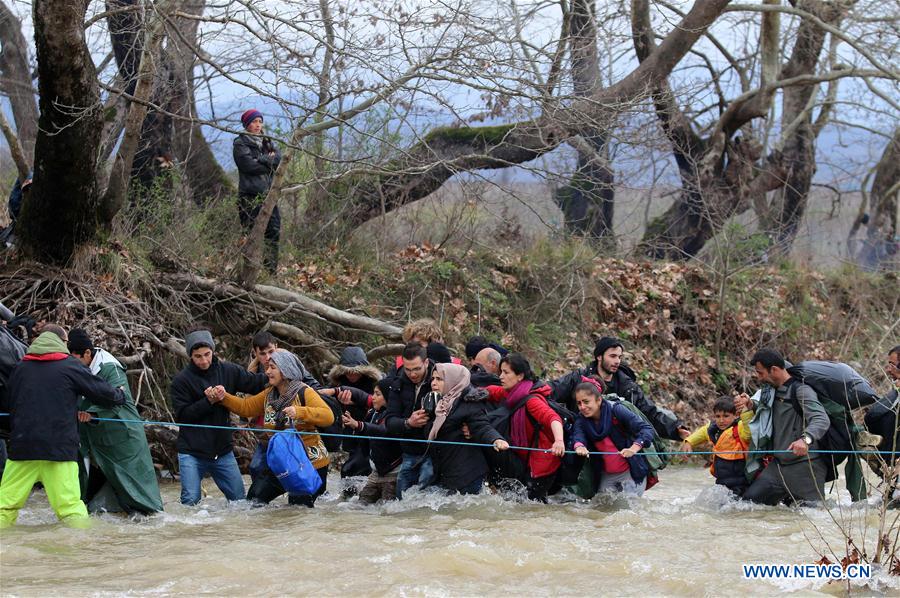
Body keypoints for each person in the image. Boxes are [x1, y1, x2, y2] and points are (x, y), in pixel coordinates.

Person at [0, 328, 126, 527]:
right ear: (62, 342)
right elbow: (101, 392)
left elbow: (8, 404)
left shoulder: (20, 368)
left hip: (22, 449)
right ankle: (79, 552)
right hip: (59, 451)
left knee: (5, 507)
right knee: (70, 509)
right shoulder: (70, 366)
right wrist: (119, 394)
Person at [216, 350, 334, 507]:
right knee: (255, 500)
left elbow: (328, 416)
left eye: (272, 367)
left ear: (285, 372)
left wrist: (300, 411)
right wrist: (223, 396)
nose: (267, 372)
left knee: (299, 511)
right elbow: (246, 407)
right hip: (280, 462)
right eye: (268, 367)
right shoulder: (269, 394)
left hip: (309, 464)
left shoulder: (304, 391)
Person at [67, 329, 163, 514]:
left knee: (137, 496)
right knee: (86, 493)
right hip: (93, 441)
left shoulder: (110, 367)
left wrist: (93, 414)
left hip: (122, 438)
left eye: (75, 358)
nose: (72, 363)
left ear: (87, 353)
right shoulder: (79, 368)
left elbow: (119, 399)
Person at [170, 327, 267, 505]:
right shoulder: (180, 381)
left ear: (213, 351)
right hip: (191, 453)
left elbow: (256, 384)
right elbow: (183, 416)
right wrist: (208, 401)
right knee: (190, 503)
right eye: (198, 356)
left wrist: (279, 374)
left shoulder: (229, 370)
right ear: (190, 356)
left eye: (207, 354)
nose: (204, 360)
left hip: (222, 452)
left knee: (239, 502)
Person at [738, 349, 831, 506]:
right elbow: (768, 410)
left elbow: (821, 419)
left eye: (761, 373)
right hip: (778, 468)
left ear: (774, 369)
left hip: (806, 469)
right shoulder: (771, 391)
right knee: (747, 506)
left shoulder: (802, 390)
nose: (759, 378)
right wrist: (751, 404)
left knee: (815, 516)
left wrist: (805, 439)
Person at [551, 337, 689, 441]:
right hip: (582, 440)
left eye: (619, 357)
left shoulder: (627, 386)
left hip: (617, 445)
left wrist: (676, 430)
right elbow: (551, 391)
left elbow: (649, 412)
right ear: (599, 356)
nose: (617, 361)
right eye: (612, 356)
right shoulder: (578, 378)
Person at [485, 353, 566, 502]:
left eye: (506, 372)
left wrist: (559, 441)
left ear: (520, 376)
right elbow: (492, 391)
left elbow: (553, 418)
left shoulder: (532, 401)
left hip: (542, 465)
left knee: (532, 507)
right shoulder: (513, 393)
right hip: (525, 459)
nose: (501, 376)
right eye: (500, 372)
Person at [425, 363, 508, 495]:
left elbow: (482, 426)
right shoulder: (441, 403)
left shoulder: (469, 402)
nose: (433, 383)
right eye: (433, 379)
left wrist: (496, 439)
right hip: (446, 471)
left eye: (439, 379)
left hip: (467, 474)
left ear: (453, 380)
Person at [573, 382, 655, 496]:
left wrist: (634, 448)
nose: (582, 407)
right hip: (606, 475)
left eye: (586, 402)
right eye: (579, 403)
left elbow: (646, 429)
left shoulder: (616, 410)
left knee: (628, 511)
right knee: (601, 511)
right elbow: (578, 435)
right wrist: (579, 446)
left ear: (599, 400)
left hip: (630, 472)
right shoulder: (581, 420)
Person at [233, 109, 282, 274]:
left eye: (260, 122)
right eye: (254, 122)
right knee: (250, 236)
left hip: (269, 196)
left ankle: (270, 274)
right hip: (249, 196)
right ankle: (247, 273)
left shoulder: (267, 141)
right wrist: (267, 160)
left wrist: (262, 159)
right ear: (247, 124)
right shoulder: (240, 143)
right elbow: (248, 166)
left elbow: (278, 160)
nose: (258, 125)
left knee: (273, 233)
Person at [385, 342, 436, 498]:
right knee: (402, 498)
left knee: (425, 497)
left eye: (417, 369)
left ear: (426, 362)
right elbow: (389, 421)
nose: (412, 374)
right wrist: (408, 423)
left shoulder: (439, 379)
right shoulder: (398, 383)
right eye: (408, 369)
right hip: (409, 451)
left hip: (434, 453)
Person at [342, 378, 402, 503]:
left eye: (377, 394)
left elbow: (382, 430)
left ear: (388, 396)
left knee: (388, 509)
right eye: (373, 393)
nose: (373, 397)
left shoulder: (395, 416)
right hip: (375, 473)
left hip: (393, 473)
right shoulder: (373, 413)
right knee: (360, 504)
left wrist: (358, 425)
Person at [326, 346, 382, 478]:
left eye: (355, 371)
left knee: (352, 468)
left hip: (368, 431)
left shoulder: (375, 384)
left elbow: (379, 408)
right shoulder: (336, 384)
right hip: (347, 432)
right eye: (347, 371)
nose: (351, 375)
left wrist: (355, 403)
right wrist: (339, 403)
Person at [681, 396, 753, 496]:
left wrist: (745, 411)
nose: (721, 420)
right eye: (718, 416)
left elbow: (749, 434)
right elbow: (702, 433)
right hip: (721, 482)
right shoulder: (713, 429)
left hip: (741, 483)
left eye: (726, 416)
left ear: (736, 415)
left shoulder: (741, 427)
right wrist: (688, 442)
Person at [862, 345, 900, 492]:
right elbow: (871, 417)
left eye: (892, 364)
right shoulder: (896, 392)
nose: (888, 369)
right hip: (892, 465)